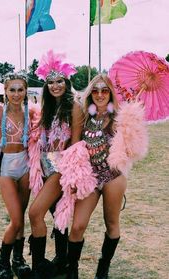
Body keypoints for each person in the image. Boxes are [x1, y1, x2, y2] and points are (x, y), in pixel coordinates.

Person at [62, 74, 148, 279]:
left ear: (110, 93)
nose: (100, 94)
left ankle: (103, 267)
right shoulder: (84, 115)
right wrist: (74, 175)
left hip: (113, 177)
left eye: (105, 90)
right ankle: (71, 270)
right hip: (89, 178)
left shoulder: (120, 117)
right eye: (95, 90)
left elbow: (132, 148)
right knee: (78, 226)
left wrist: (131, 118)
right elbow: (74, 145)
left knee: (111, 224)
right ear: (90, 93)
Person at [27, 50, 84, 279]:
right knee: (56, 214)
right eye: (50, 82)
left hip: (60, 169)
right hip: (43, 167)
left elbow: (76, 144)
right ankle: (63, 262)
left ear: (66, 81)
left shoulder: (75, 107)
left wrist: (70, 176)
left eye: (59, 81)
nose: (55, 85)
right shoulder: (47, 108)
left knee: (34, 213)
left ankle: (39, 268)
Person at [0, 71, 31, 279]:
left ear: (25, 91)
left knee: (21, 216)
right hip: (6, 166)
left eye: (20, 90)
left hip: (25, 165)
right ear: (5, 91)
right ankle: (1, 260)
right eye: (12, 90)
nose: (16, 94)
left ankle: (18, 260)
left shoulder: (31, 112)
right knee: (15, 220)